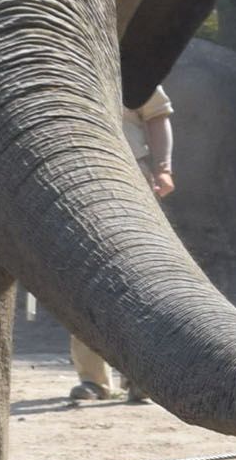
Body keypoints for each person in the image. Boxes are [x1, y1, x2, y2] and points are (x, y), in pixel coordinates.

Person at [68, 85, 175, 403]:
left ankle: (141, 376)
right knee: (82, 280)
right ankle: (93, 380)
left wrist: (163, 167)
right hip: (76, 177)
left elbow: (157, 114)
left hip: (131, 178)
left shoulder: (129, 62)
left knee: (139, 280)